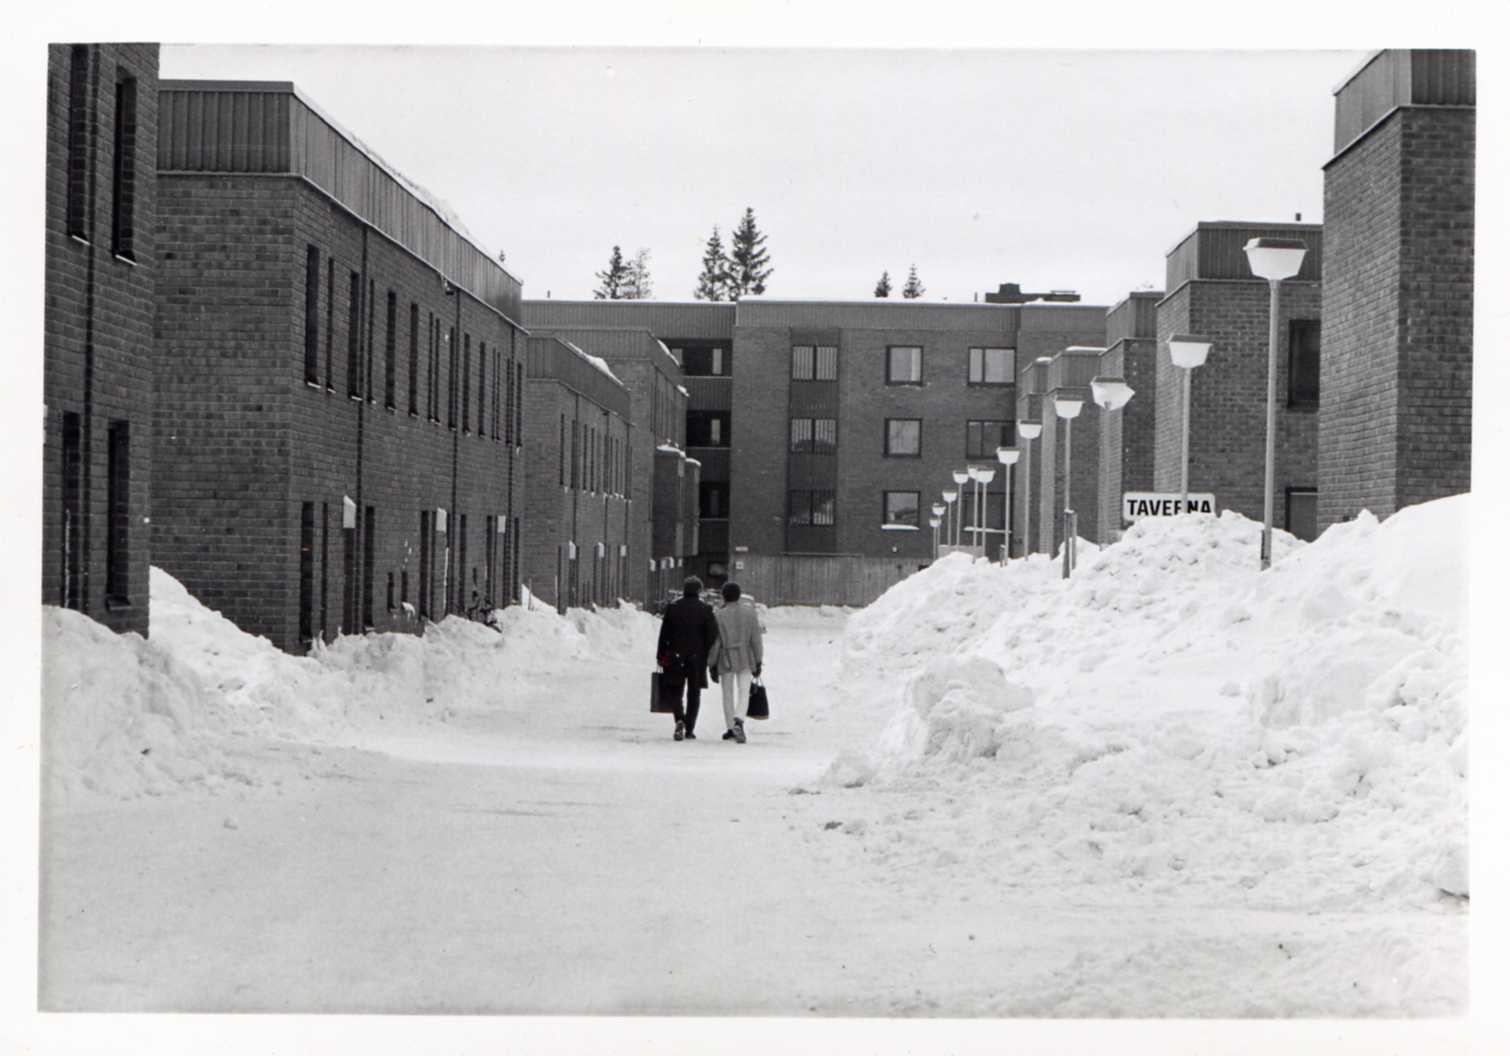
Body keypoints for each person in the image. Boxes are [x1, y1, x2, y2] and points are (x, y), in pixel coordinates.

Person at [656, 575, 720, 741]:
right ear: (699, 590)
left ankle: (679, 719)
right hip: (697, 658)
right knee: (694, 693)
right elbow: (712, 635)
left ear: (684, 590)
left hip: (675, 655)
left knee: (676, 690)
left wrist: (660, 655)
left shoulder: (673, 608)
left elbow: (664, 634)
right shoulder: (705, 609)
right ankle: (689, 728)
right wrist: (704, 650)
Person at [705, 581, 764, 744]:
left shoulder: (718, 615)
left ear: (724, 596)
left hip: (726, 657)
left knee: (727, 693)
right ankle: (739, 720)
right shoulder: (750, 613)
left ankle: (730, 728)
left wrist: (712, 663)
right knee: (744, 691)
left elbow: (716, 642)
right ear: (738, 596)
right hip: (746, 656)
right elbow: (756, 640)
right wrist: (758, 660)